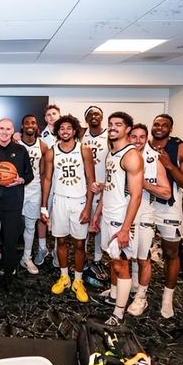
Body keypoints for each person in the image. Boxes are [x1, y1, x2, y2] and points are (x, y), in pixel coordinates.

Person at [92, 112, 144, 326]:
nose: (113, 127)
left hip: (122, 219)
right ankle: (115, 295)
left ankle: (119, 313)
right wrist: (98, 213)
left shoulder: (131, 156)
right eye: (111, 124)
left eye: (118, 124)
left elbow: (137, 195)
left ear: (128, 129)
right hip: (109, 215)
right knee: (113, 260)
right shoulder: (111, 152)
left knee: (121, 264)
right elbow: (111, 186)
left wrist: (125, 229)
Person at [41, 115, 95, 302]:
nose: (65, 131)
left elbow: (91, 181)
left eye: (68, 128)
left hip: (79, 201)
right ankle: (64, 277)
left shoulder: (84, 150)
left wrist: (88, 207)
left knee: (80, 244)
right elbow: (47, 179)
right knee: (61, 241)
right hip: (60, 200)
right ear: (57, 131)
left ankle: (78, 280)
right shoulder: (52, 152)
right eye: (61, 128)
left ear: (74, 131)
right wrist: (44, 205)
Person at [0, 118, 34, 289]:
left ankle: (8, 272)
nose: (4, 131)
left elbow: (30, 175)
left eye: (8, 129)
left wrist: (21, 180)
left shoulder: (21, 150)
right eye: (1, 128)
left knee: (10, 240)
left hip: (13, 202)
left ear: (13, 131)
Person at [149, 114, 183, 318]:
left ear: (170, 128)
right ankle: (137, 288)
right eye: (156, 124)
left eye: (164, 125)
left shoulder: (182, 149)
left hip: (169, 207)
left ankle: (167, 298)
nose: (159, 128)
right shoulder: (143, 145)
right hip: (146, 204)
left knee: (170, 253)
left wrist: (169, 165)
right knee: (139, 250)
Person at [126, 123, 171, 316]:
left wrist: (144, 184)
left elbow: (167, 193)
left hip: (144, 214)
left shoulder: (154, 161)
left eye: (141, 137)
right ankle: (130, 287)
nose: (137, 140)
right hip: (124, 214)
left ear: (146, 139)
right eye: (133, 136)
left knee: (143, 257)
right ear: (128, 137)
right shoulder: (122, 157)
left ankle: (141, 297)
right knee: (126, 256)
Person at [19, 114, 49, 274]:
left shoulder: (42, 146)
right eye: (27, 123)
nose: (30, 125)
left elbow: (43, 174)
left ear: (37, 126)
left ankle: (26, 257)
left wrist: (44, 198)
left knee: (30, 226)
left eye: (33, 122)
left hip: (34, 190)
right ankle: (8, 256)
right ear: (22, 126)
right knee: (11, 226)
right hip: (16, 190)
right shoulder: (15, 143)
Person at [81, 105, 109, 278]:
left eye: (97, 114)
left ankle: (97, 259)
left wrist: (106, 184)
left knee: (99, 226)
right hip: (84, 187)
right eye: (90, 114)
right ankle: (82, 257)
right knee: (83, 223)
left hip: (102, 187)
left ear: (102, 117)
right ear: (86, 119)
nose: (94, 116)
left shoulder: (109, 136)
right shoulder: (81, 134)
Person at [36, 104, 61, 267]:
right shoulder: (40, 136)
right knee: (43, 216)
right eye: (48, 115)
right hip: (46, 182)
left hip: (63, 184)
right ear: (45, 118)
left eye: (54, 114)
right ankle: (42, 248)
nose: (51, 117)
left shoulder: (68, 133)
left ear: (59, 115)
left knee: (59, 218)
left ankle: (58, 250)